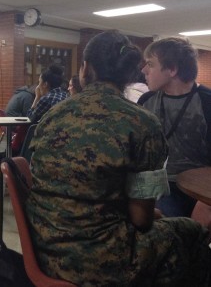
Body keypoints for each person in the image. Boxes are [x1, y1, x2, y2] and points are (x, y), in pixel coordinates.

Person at [25, 30, 211, 286]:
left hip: (42, 251)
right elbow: (142, 220)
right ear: (128, 74)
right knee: (194, 232)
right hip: (102, 263)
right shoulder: (143, 122)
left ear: (85, 69)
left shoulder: (52, 116)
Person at [139, 37, 211, 217]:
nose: (143, 70)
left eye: (150, 64)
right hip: (158, 185)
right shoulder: (146, 101)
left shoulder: (206, 101)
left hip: (200, 189)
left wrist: (206, 204)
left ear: (172, 69)